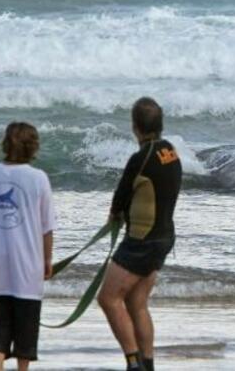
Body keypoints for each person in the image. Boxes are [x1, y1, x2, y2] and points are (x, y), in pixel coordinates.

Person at [97, 97, 182, 371]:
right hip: (165, 238)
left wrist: (115, 215)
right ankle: (148, 364)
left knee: (108, 299)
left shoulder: (140, 158)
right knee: (136, 302)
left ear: (135, 127)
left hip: (142, 241)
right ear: (160, 125)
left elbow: (120, 198)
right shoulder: (171, 151)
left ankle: (133, 362)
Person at [0, 122, 56, 371]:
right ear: (33, 147)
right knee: (27, 320)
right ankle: (22, 369)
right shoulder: (38, 178)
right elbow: (47, 227)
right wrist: (47, 261)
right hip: (28, 261)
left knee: (1, 318)